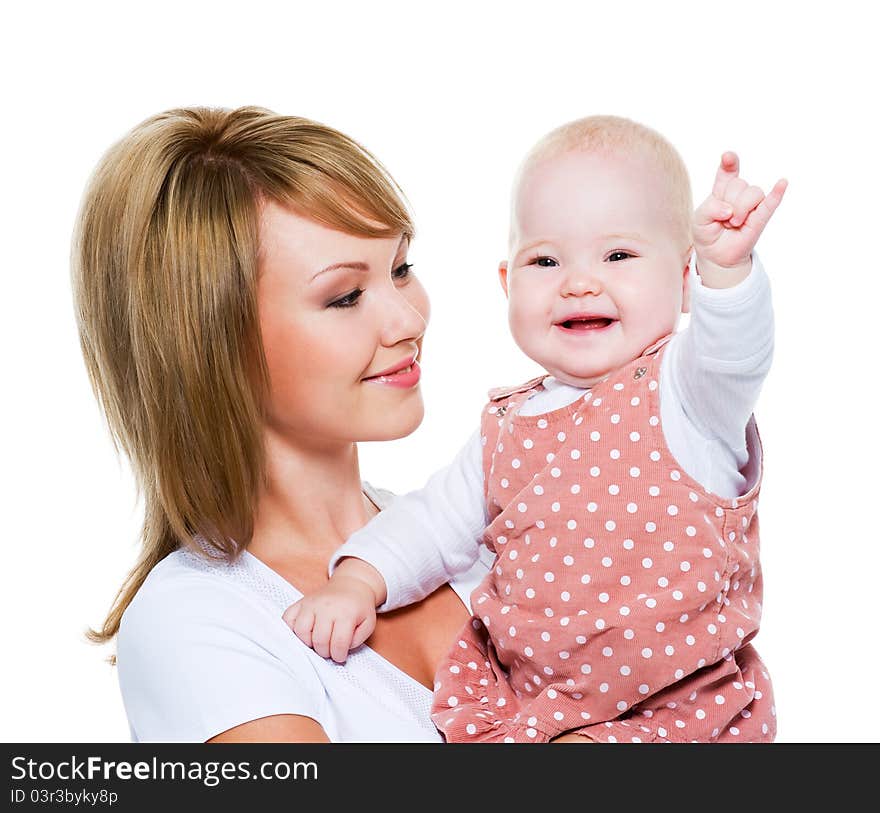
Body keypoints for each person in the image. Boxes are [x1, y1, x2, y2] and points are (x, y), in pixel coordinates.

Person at [283, 115, 787, 743]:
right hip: (533, 706)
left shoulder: (687, 392)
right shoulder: (506, 426)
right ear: (507, 283)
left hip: (679, 711)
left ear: (684, 279)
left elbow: (733, 353)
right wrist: (356, 582)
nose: (579, 282)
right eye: (545, 260)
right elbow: (431, 524)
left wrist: (728, 274)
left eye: (619, 255)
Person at [71, 105, 496, 743]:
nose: (408, 319)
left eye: (400, 268)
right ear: (211, 343)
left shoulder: (484, 538)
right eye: (345, 296)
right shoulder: (198, 621)